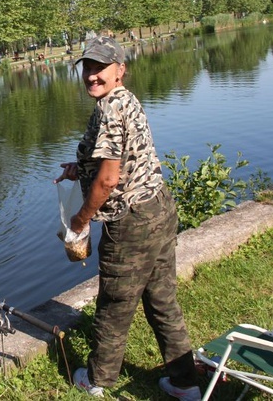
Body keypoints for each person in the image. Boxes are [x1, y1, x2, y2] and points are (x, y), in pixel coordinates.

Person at [54, 36, 201, 400]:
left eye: (99, 68)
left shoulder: (108, 109)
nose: (91, 76)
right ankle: (185, 382)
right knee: (162, 298)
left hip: (131, 222)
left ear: (120, 69)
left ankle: (99, 379)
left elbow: (109, 179)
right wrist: (81, 168)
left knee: (115, 304)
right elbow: (118, 160)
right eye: (87, 68)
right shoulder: (126, 100)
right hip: (159, 208)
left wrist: (81, 219)